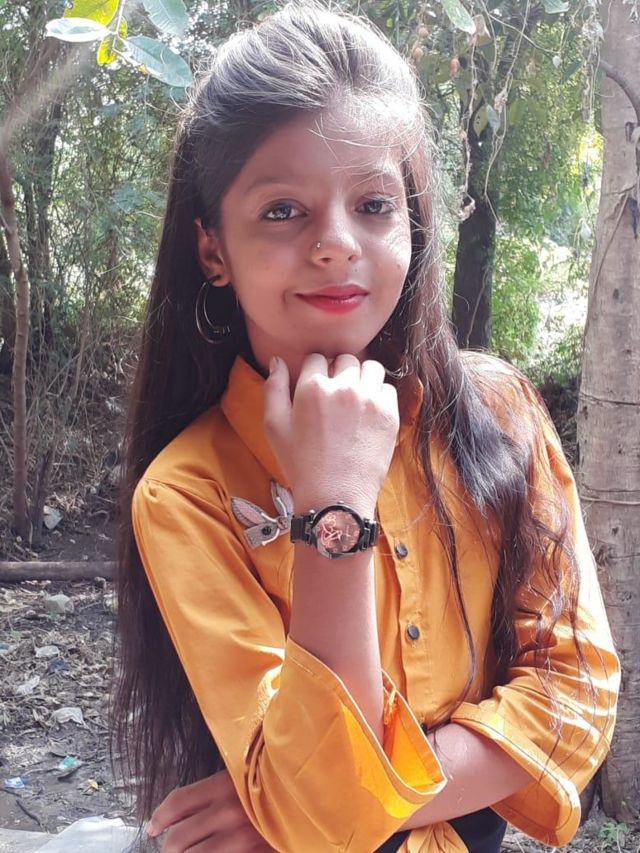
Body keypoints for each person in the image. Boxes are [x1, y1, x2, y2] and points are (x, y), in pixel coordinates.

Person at [110, 3, 620, 851]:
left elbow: (579, 692)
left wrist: (322, 802)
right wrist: (333, 509)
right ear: (212, 249)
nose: (336, 244)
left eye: (375, 203)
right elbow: (325, 818)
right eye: (283, 210)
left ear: (412, 224)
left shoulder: (497, 414)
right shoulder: (186, 492)